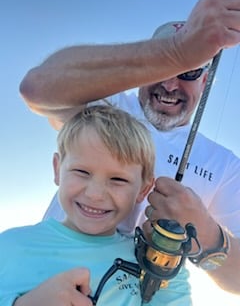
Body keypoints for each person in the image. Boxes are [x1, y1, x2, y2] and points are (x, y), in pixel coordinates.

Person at [19, 0, 240, 297]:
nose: (169, 82)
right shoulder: (102, 105)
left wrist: (205, 232)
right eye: (161, 68)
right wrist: (178, 52)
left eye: (188, 72)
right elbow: (37, 88)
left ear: (206, 80)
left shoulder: (226, 166)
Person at [0, 105, 197, 306]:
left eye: (118, 179)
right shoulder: (7, 246)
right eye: (81, 172)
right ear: (58, 169)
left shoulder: (156, 266)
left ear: (143, 190)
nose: (94, 194)